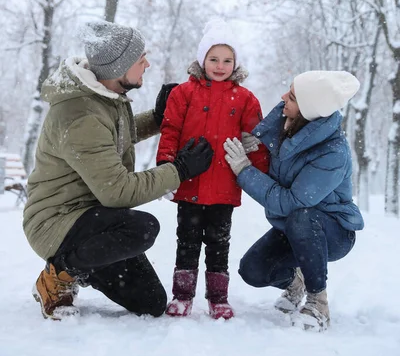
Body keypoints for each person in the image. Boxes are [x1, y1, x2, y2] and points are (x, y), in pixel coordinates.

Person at [23, 20, 213, 321]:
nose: (147, 64)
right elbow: (118, 191)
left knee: (150, 302)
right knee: (142, 227)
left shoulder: (99, 97)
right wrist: (179, 170)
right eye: (141, 59)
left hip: (92, 218)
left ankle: (77, 264)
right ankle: (59, 274)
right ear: (118, 67)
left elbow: (110, 137)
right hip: (56, 221)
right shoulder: (81, 114)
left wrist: (157, 117)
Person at [224, 70, 364, 331]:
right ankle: (295, 282)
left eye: (291, 96)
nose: (282, 98)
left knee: (302, 214)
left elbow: (292, 201)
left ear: (308, 109)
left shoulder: (332, 152)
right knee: (252, 270)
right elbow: (273, 137)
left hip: (333, 231)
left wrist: (244, 169)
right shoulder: (290, 122)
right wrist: (258, 141)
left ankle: (318, 303)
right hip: (292, 227)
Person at [156, 19, 269, 320]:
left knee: (219, 245)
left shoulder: (245, 99)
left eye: (227, 60)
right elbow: (170, 131)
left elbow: (256, 139)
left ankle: (218, 298)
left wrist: (258, 160)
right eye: (214, 59)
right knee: (187, 242)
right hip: (190, 184)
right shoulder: (183, 94)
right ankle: (182, 295)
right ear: (202, 59)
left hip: (223, 188)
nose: (220, 66)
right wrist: (165, 170)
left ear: (236, 63)